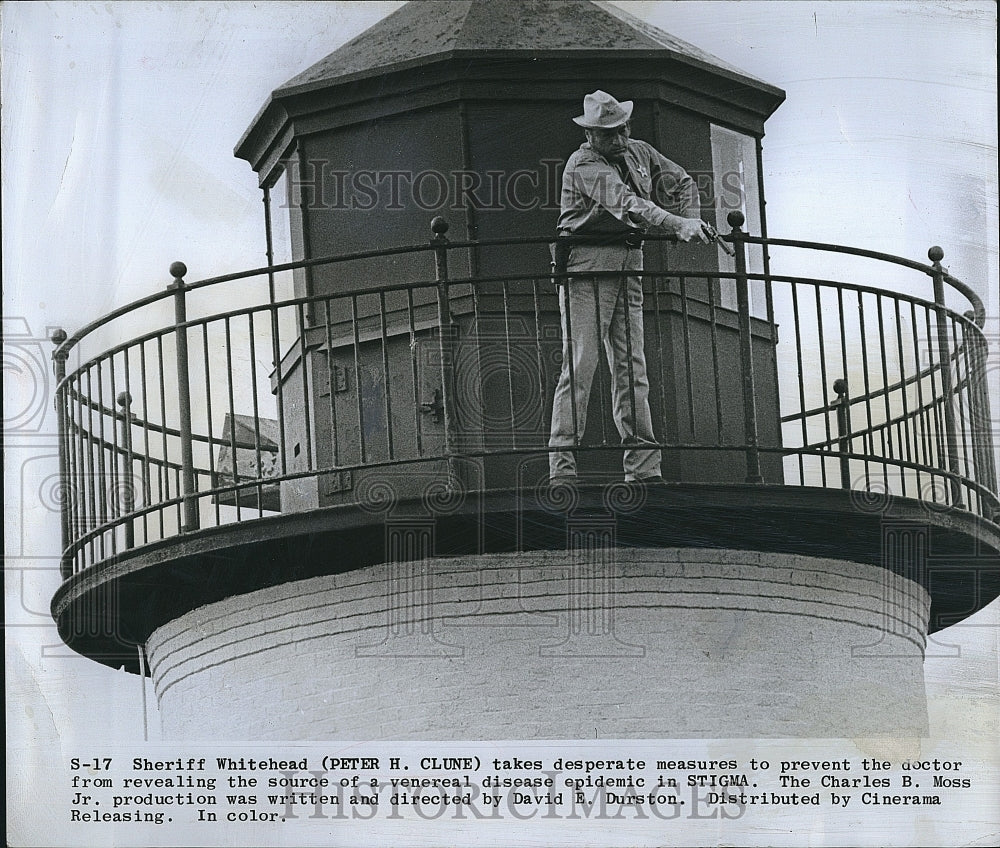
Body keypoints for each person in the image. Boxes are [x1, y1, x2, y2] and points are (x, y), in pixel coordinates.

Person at [548, 90, 716, 484]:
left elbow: (684, 182)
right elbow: (627, 204)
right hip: (586, 268)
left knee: (632, 368)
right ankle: (563, 471)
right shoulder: (583, 163)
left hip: (629, 265)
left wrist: (690, 219)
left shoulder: (639, 150)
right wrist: (678, 225)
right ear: (590, 135)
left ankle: (643, 470)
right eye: (608, 135)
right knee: (581, 366)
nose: (619, 141)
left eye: (622, 130)